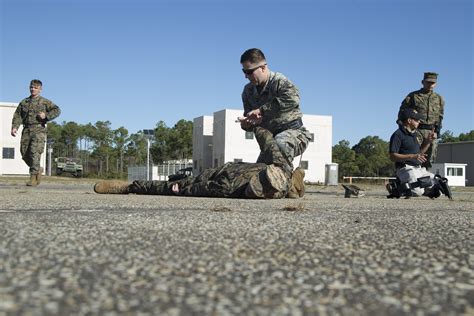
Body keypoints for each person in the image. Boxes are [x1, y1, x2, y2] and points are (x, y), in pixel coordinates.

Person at [94, 126, 305, 199]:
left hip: (220, 177)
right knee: (182, 184)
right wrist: (255, 126)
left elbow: (205, 188)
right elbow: (268, 141)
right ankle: (296, 185)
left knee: (172, 187)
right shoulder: (279, 167)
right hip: (225, 171)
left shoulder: (237, 187)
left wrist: (183, 189)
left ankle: (129, 187)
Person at [239, 48, 312, 170]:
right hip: (270, 141)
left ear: (263, 67)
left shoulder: (279, 82)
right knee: (257, 173)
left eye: (250, 71)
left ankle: (288, 184)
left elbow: (292, 99)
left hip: (294, 134)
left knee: (279, 148)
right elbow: (250, 119)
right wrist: (247, 124)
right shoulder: (248, 92)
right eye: (244, 71)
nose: (246, 76)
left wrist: (262, 110)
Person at [387, 108, 450, 198]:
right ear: (409, 120)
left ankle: (424, 190)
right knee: (417, 192)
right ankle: (395, 186)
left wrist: (428, 141)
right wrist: (412, 156)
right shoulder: (398, 134)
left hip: (419, 169)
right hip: (405, 169)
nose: (419, 122)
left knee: (438, 183)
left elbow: (419, 154)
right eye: (416, 119)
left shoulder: (414, 134)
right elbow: (392, 156)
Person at [11, 79, 61, 186]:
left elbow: (57, 110)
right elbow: (18, 115)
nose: (32, 89)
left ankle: (33, 178)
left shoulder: (45, 102)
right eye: (31, 87)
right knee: (24, 153)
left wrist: (46, 116)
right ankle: (38, 168)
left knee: (35, 152)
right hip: (26, 130)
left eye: (35, 87)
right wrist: (15, 127)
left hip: (39, 130)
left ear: (40, 89)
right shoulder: (24, 102)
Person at [398, 72, 445, 169]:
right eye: (428, 82)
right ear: (422, 82)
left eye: (433, 83)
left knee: (429, 160)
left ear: (435, 84)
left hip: (431, 132)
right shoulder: (413, 96)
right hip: (416, 131)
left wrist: (437, 131)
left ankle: (425, 180)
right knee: (413, 157)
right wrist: (403, 128)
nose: (430, 85)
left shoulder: (439, 99)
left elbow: (440, 116)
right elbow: (403, 112)